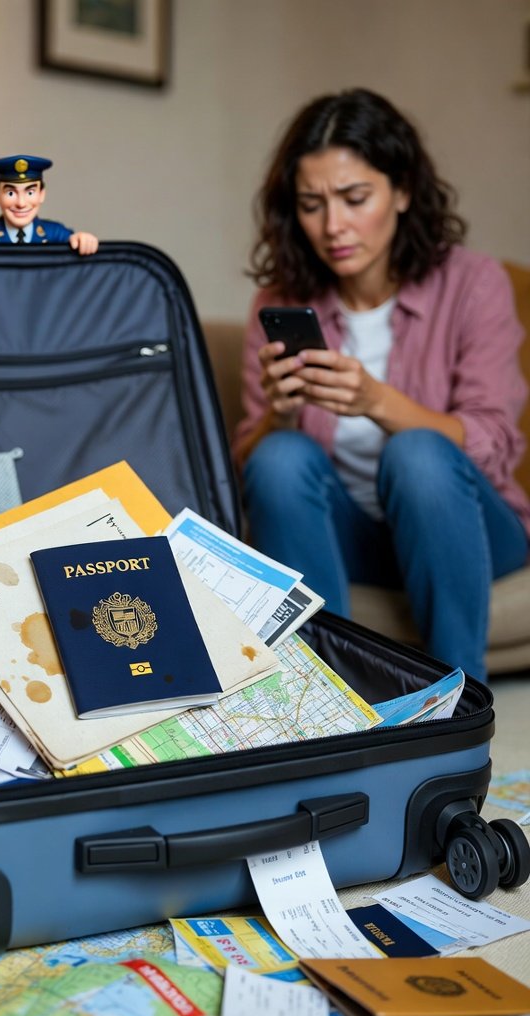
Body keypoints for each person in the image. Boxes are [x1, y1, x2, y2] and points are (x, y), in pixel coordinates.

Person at [232, 88, 530, 683]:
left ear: (402, 191)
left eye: (354, 197)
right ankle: (323, 700)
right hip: (353, 537)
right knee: (281, 456)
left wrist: (376, 402)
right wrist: (279, 417)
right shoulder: (280, 300)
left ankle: (459, 702)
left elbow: (496, 442)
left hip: (468, 526)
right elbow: (246, 469)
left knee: (416, 452)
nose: (333, 225)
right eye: (312, 204)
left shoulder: (473, 284)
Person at [0, 155, 99, 254]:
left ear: (42, 194)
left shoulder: (55, 233)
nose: (21, 203)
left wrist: (81, 239)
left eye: (30, 192)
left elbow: (74, 242)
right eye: (10, 193)